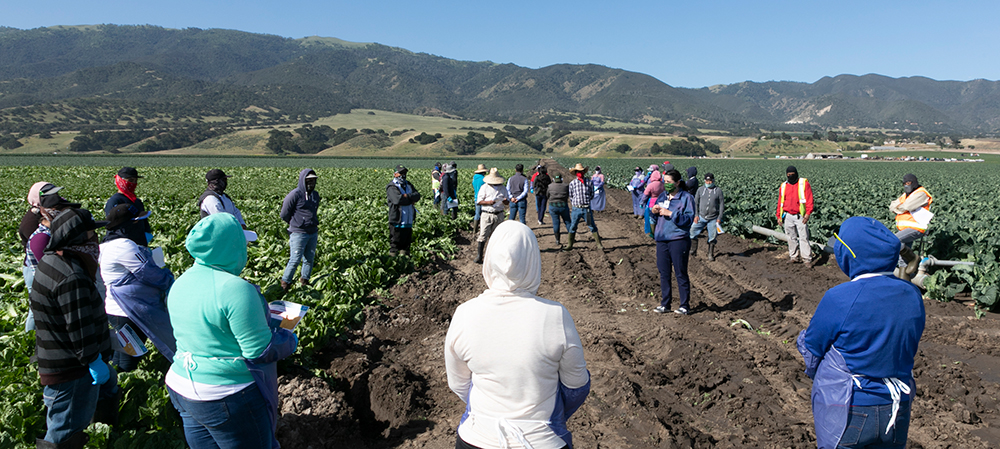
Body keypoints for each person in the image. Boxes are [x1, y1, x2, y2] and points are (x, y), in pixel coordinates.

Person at [445, 221, 590, 449]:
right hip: (540, 440)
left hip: (476, 438)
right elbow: (577, 387)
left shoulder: (464, 313)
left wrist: (492, 410)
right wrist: (545, 416)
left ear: (490, 259)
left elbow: (458, 383)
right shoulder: (555, 315)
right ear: (533, 261)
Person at [166, 213, 298, 449]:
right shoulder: (236, 289)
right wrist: (290, 339)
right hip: (226, 394)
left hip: (182, 387)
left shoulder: (180, 282)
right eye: (242, 245)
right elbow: (260, 351)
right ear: (231, 248)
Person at [798, 216, 925, 449]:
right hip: (897, 410)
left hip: (849, 408)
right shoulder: (912, 295)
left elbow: (812, 349)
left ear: (850, 256)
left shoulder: (840, 297)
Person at [31, 207, 118, 447]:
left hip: (55, 358)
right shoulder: (72, 276)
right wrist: (93, 360)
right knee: (64, 432)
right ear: (78, 238)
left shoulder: (50, 261)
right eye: (91, 234)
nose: (95, 240)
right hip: (71, 368)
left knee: (63, 422)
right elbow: (79, 327)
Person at [99, 203, 175, 373]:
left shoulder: (107, 245)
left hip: (117, 310)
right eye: (136, 222)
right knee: (130, 355)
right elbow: (148, 273)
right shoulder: (123, 246)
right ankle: (120, 386)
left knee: (126, 350)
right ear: (126, 226)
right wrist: (168, 278)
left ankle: (116, 380)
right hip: (126, 311)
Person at [651, 170, 696, 315]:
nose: (666, 185)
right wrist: (654, 210)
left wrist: (671, 213)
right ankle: (665, 304)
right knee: (664, 273)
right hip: (662, 239)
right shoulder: (663, 196)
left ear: (677, 183)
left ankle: (684, 305)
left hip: (678, 240)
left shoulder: (686, 198)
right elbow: (657, 215)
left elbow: (688, 219)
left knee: (680, 273)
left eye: (669, 182)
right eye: (665, 182)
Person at [19, 181, 56, 331]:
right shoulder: (31, 221)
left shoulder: (41, 214)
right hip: (33, 266)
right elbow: (36, 248)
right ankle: (29, 337)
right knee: (36, 308)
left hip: (37, 263)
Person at [280, 169, 320, 290]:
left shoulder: (315, 195)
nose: (311, 184)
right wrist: (296, 223)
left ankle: (305, 281)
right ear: (303, 181)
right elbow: (284, 213)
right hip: (298, 232)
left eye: (313, 181)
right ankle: (285, 283)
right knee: (295, 259)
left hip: (312, 231)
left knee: (309, 258)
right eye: (308, 181)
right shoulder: (295, 194)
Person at [889, 173, 932, 276]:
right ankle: (906, 279)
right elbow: (892, 206)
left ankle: (914, 258)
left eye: (908, 183)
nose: (906, 185)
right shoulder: (906, 195)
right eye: (904, 183)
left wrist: (898, 208)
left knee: (895, 241)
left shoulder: (921, 193)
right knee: (902, 258)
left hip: (917, 227)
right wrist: (899, 207)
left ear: (914, 183)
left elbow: (907, 206)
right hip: (905, 228)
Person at [776, 166, 814, 267]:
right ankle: (794, 257)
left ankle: (806, 259)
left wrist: (808, 213)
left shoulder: (803, 184)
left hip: (800, 216)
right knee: (790, 237)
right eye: (788, 175)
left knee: (804, 237)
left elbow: (809, 199)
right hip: (788, 215)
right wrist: (779, 216)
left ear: (796, 174)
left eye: (792, 174)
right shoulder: (783, 186)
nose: (790, 176)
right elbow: (780, 202)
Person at [105, 166, 152, 247]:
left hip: (139, 243)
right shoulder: (115, 201)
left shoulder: (136, 201)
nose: (133, 184)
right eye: (130, 180)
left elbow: (144, 223)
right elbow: (112, 225)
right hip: (122, 244)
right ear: (120, 181)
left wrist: (146, 235)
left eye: (135, 181)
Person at [474, 168, 509, 264]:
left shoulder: (503, 188)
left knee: (496, 236)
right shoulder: (484, 187)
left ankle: (494, 257)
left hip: (499, 214)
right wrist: (489, 202)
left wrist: (505, 201)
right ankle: (479, 256)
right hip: (487, 213)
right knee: (483, 235)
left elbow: (507, 202)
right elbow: (479, 201)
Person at [387, 165, 422, 256]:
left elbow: (417, 196)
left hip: (408, 220)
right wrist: (410, 199)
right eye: (401, 173)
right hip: (397, 220)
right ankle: (393, 264)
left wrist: (407, 196)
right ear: (395, 174)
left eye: (404, 173)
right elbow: (397, 200)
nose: (403, 175)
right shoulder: (392, 187)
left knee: (406, 246)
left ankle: (405, 265)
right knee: (395, 244)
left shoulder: (408, 185)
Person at [566, 163, 603, 250]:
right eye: (578, 171)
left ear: (584, 172)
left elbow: (592, 194)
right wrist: (575, 203)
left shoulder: (589, 183)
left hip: (586, 208)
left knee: (592, 226)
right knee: (573, 226)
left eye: (581, 171)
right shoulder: (572, 183)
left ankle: (599, 244)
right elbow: (570, 196)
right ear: (575, 173)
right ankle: (570, 245)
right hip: (576, 208)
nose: (580, 173)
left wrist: (585, 201)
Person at [689, 173, 724, 261]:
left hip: (713, 218)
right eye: (707, 181)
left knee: (712, 236)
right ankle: (693, 250)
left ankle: (710, 253)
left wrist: (719, 217)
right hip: (701, 216)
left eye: (710, 181)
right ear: (704, 181)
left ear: (713, 181)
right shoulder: (700, 190)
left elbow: (721, 205)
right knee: (692, 231)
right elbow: (695, 203)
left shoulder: (718, 191)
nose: (708, 182)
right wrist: (696, 215)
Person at [548, 174, 571, 248]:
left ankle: (557, 240)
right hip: (563, 206)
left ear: (554, 179)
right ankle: (571, 238)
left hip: (553, 206)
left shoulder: (550, 186)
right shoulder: (566, 186)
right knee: (567, 222)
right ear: (561, 179)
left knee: (556, 223)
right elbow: (568, 194)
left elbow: (547, 195)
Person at [641, 166, 664, 239]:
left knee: (651, 218)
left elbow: (645, 195)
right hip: (661, 202)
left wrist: (642, 202)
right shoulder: (662, 184)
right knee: (660, 218)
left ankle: (652, 233)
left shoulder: (651, 185)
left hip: (652, 202)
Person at [472, 164, 488, 233]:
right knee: (483, 214)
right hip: (483, 199)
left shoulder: (474, 178)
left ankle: (474, 230)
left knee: (477, 213)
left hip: (476, 198)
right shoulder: (484, 179)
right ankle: (482, 229)